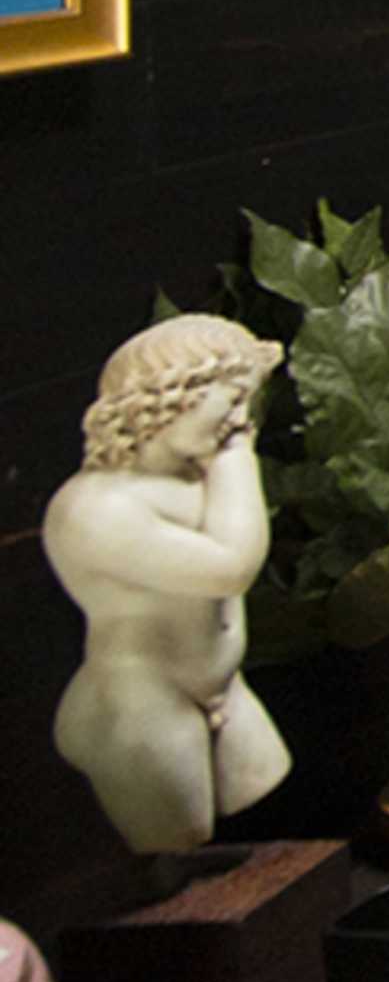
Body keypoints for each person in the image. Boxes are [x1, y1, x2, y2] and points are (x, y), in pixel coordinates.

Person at [45, 315, 292, 858]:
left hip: (225, 692)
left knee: (258, 821)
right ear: (169, 398)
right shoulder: (97, 507)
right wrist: (235, 460)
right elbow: (230, 567)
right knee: (174, 851)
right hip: (140, 707)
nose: (240, 419)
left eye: (245, 402)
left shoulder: (190, 476)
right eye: (229, 400)